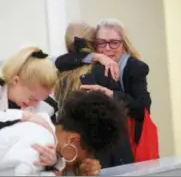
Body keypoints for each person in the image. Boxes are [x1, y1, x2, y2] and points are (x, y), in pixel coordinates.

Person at [0, 90, 127, 176]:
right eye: (86, 154)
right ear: (73, 139)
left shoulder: (44, 131)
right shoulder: (41, 140)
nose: (83, 160)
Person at [55, 18, 151, 145]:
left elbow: (143, 108)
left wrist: (111, 94)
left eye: (114, 42)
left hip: (132, 138)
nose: (107, 48)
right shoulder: (97, 64)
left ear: (124, 45)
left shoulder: (135, 67)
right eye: (101, 43)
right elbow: (60, 61)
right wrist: (97, 56)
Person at [54, 21, 134, 168]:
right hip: (107, 151)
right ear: (92, 42)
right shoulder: (103, 70)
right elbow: (122, 111)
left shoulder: (60, 74)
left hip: (74, 150)